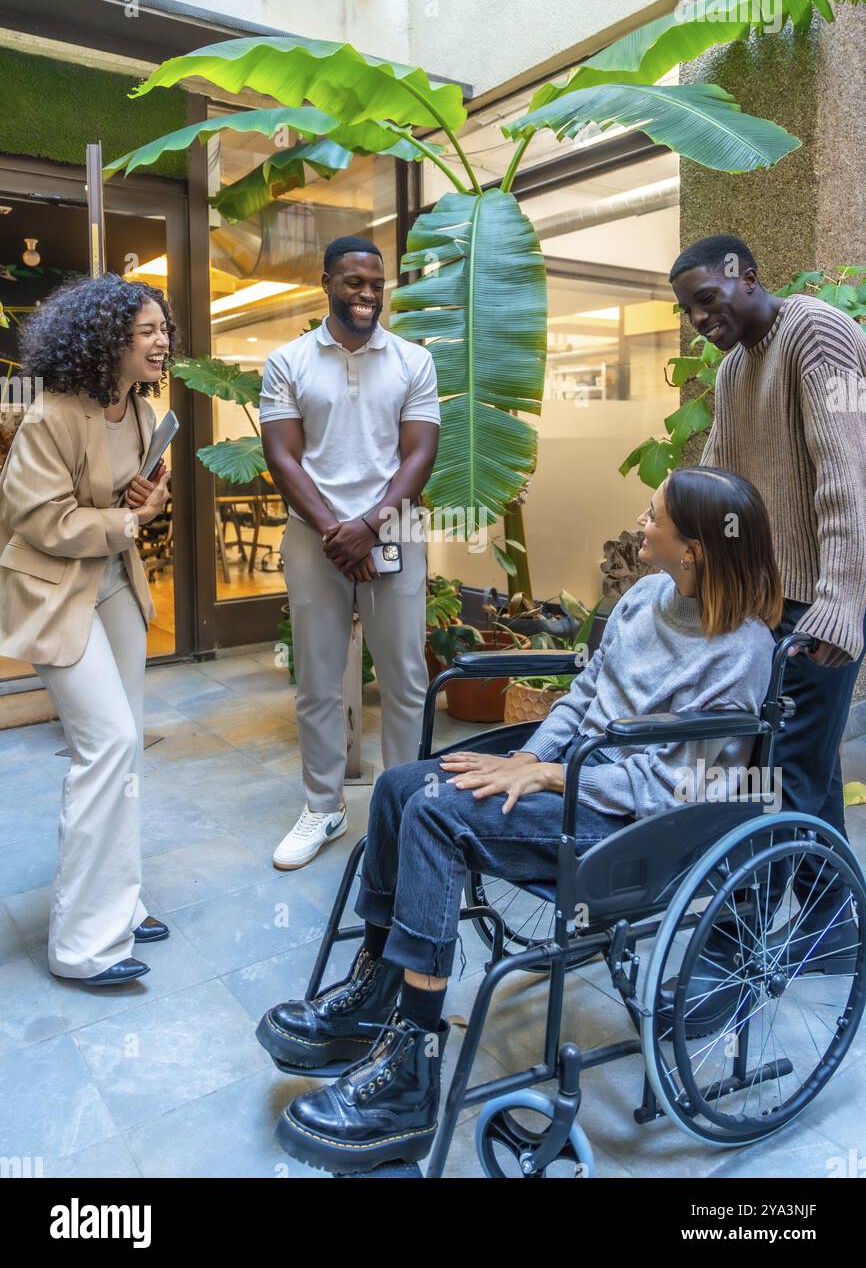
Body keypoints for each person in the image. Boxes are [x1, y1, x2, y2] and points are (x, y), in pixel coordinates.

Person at [257, 467, 782, 1173]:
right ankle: (375, 994)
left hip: (630, 826)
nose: (640, 519)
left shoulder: (742, 650)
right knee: (399, 789)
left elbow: (672, 783)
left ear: (693, 549)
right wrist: (525, 761)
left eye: (654, 515)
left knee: (438, 816)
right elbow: (583, 695)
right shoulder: (644, 597)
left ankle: (411, 1075)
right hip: (571, 785)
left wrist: (548, 775)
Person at [669, 234, 866, 957]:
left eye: (708, 300)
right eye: (688, 310)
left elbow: (848, 477)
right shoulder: (732, 371)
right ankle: (831, 929)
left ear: (747, 278)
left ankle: (747, 935)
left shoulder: (815, 330)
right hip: (766, 602)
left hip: (822, 600)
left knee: (785, 772)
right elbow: (716, 480)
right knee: (792, 769)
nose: (699, 318)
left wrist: (842, 604)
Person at [0, 274, 172, 987]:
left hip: (112, 580)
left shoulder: (136, 409)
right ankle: (80, 944)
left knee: (124, 749)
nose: (163, 341)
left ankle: (118, 902)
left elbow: (123, 500)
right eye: (149, 330)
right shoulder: (51, 414)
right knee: (108, 744)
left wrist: (149, 499)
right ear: (108, 339)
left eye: (165, 329)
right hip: (54, 589)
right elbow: (40, 519)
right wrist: (130, 519)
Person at [259, 236, 440, 871]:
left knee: (405, 678)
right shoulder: (288, 361)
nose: (366, 293)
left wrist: (371, 524)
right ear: (328, 283)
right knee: (317, 678)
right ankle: (323, 807)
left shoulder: (414, 361)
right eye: (353, 282)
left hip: (394, 531)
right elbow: (281, 456)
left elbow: (419, 453)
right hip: (316, 538)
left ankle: (410, 808)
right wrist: (341, 531)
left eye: (375, 283)